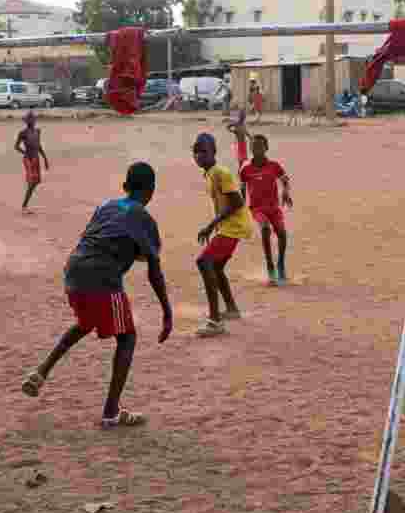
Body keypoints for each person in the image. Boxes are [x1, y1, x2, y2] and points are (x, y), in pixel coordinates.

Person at [21, 163, 173, 428]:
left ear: (125, 187)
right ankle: (111, 413)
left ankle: (41, 372)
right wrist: (167, 312)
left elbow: (99, 237)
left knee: (86, 322)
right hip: (101, 278)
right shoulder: (144, 219)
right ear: (151, 191)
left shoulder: (105, 206)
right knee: (127, 338)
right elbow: (153, 271)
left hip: (73, 271)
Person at [192, 132, 253, 337]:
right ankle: (231, 309)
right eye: (196, 151)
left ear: (214, 152)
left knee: (204, 262)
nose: (199, 155)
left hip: (233, 226)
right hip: (229, 226)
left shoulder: (220, 173)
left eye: (203, 151)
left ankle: (215, 320)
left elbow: (237, 203)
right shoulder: (210, 173)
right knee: (216, 267)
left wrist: (211, 226)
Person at [239, 134, 293, 286]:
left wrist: (286, 192)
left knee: (282, 233)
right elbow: (242, 189)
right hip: (257, 209)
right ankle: (270, 266)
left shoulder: (274, 166)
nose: (256, 149)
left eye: (259, 146)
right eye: (253, 146)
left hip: (274, 208)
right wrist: (242, 208)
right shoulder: (246, 169)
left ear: (266, 148)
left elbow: (285, 180)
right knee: (264, 229)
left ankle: (280, 263)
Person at [14, 111, 50, 213]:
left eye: (33, 120)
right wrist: (24, 152)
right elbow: (16, 146)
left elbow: (39, 146)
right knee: (32, 182)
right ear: (27, 122)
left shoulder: (37, 131)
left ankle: (25, 205)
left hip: (36, 159)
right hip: (28, 160)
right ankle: (24, 207)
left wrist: (45, 158)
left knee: (36, 182)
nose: (32, 121)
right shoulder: (23, 133)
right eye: (30, 120)